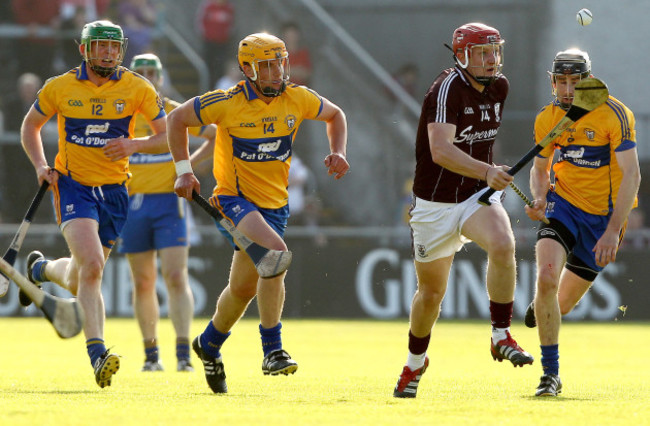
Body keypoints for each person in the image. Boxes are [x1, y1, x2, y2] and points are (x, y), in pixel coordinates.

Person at [167, 32, 349, 393]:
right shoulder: (226, 102)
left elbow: (336, 115)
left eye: (280, 63)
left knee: (242, 289)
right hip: (234, 201)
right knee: (276, 254)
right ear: (247, 69)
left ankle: (209, 344)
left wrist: (339, 150)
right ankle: (272, 350)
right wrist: (183, 170)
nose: (276, 72)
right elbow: (176, 119)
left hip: (274, 205)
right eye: (266, 66)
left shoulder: (296, 97)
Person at [20, 20, 167, 388]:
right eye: (99, 46)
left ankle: (40, 270)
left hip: (116, 192)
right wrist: (41, 165)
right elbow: (30, 127)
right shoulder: (61, 87)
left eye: (113, 47)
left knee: (80, 276)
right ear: (83, 49)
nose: (107, 53)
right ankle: (98, 352)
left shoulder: (138, 87)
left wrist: (133, 145)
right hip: (73, 187)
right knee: (93, 266)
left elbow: (166, 137)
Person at [392, 22, 533, 399]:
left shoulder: (499, 87)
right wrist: (489, 170)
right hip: (434, 204)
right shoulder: (446, 89)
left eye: (495, 52)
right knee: (430, 295)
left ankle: (500, 335)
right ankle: (415, 362)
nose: (492, 60)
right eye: (483, 53)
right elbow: (441, 150)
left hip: (475, 195)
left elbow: (482, 143)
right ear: (462, 55)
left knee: (504, 244)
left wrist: (489, 176)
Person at [523, 48, 640, 397]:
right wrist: (541, 198)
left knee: (560, 305)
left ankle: (545, 307)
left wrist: (611, 231)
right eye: (562, 81)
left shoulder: (614, 115)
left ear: (589, 79)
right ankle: (550, 376)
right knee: (545, 278)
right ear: (553, 82)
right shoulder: (548, 119)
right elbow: (539, 169)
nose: (568, 88)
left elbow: (632, 175)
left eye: (576, 81)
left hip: (603, 218)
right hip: (564, 206)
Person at [117, 53, 217, 373]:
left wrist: (186, 167)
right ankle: (150, 354)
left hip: (168, 203)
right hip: (132, 203)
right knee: (143, 281)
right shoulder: (120, 113)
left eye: (152, 72)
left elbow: (216, 136)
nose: (146, 77)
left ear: (162, 77)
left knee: (175, 276)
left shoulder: (174, 111)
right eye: (140, 72)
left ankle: (183, 353)